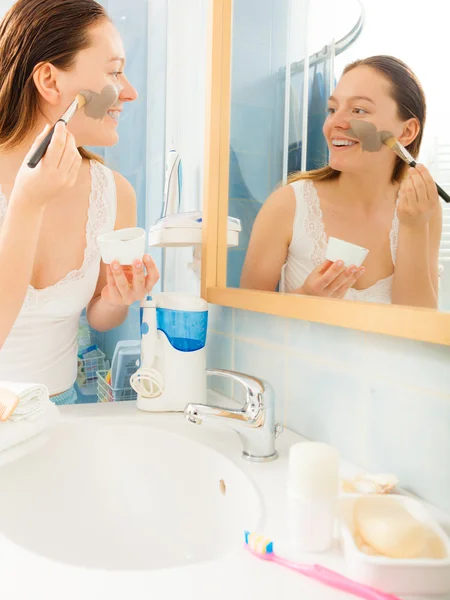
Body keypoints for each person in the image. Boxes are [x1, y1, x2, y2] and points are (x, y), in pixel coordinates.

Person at [0, 0, 159, 404]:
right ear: (50, 83)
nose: (130, 91)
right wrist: (26, 205)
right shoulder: (27, 200)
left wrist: (114, 299)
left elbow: (100, 315)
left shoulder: (116, 193)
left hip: (61, 416)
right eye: (114, 71)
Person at [240, 55, 442, 308]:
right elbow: (243, 321)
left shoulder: (423, 210)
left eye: (359, 110)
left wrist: (413, 228)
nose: (336, 123)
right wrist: (305, 298)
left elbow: (418, 328)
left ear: (407, 132)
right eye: (333, 109)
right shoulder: (288, 204)